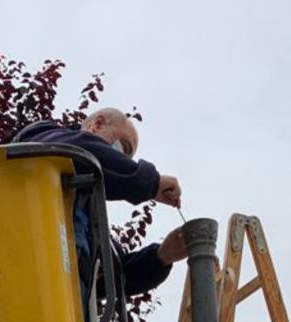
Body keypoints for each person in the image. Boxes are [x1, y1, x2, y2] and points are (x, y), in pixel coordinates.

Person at [12, 108, 188, 297]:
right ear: (97, 124)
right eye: (123, 147)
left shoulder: (89, 216)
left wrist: (162, 256)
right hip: (18, 281)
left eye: (128, 158)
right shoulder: (43, 136)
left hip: (62, 312)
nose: (122, 160)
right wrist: (149, 182)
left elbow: (116, 276)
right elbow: (79, 152)